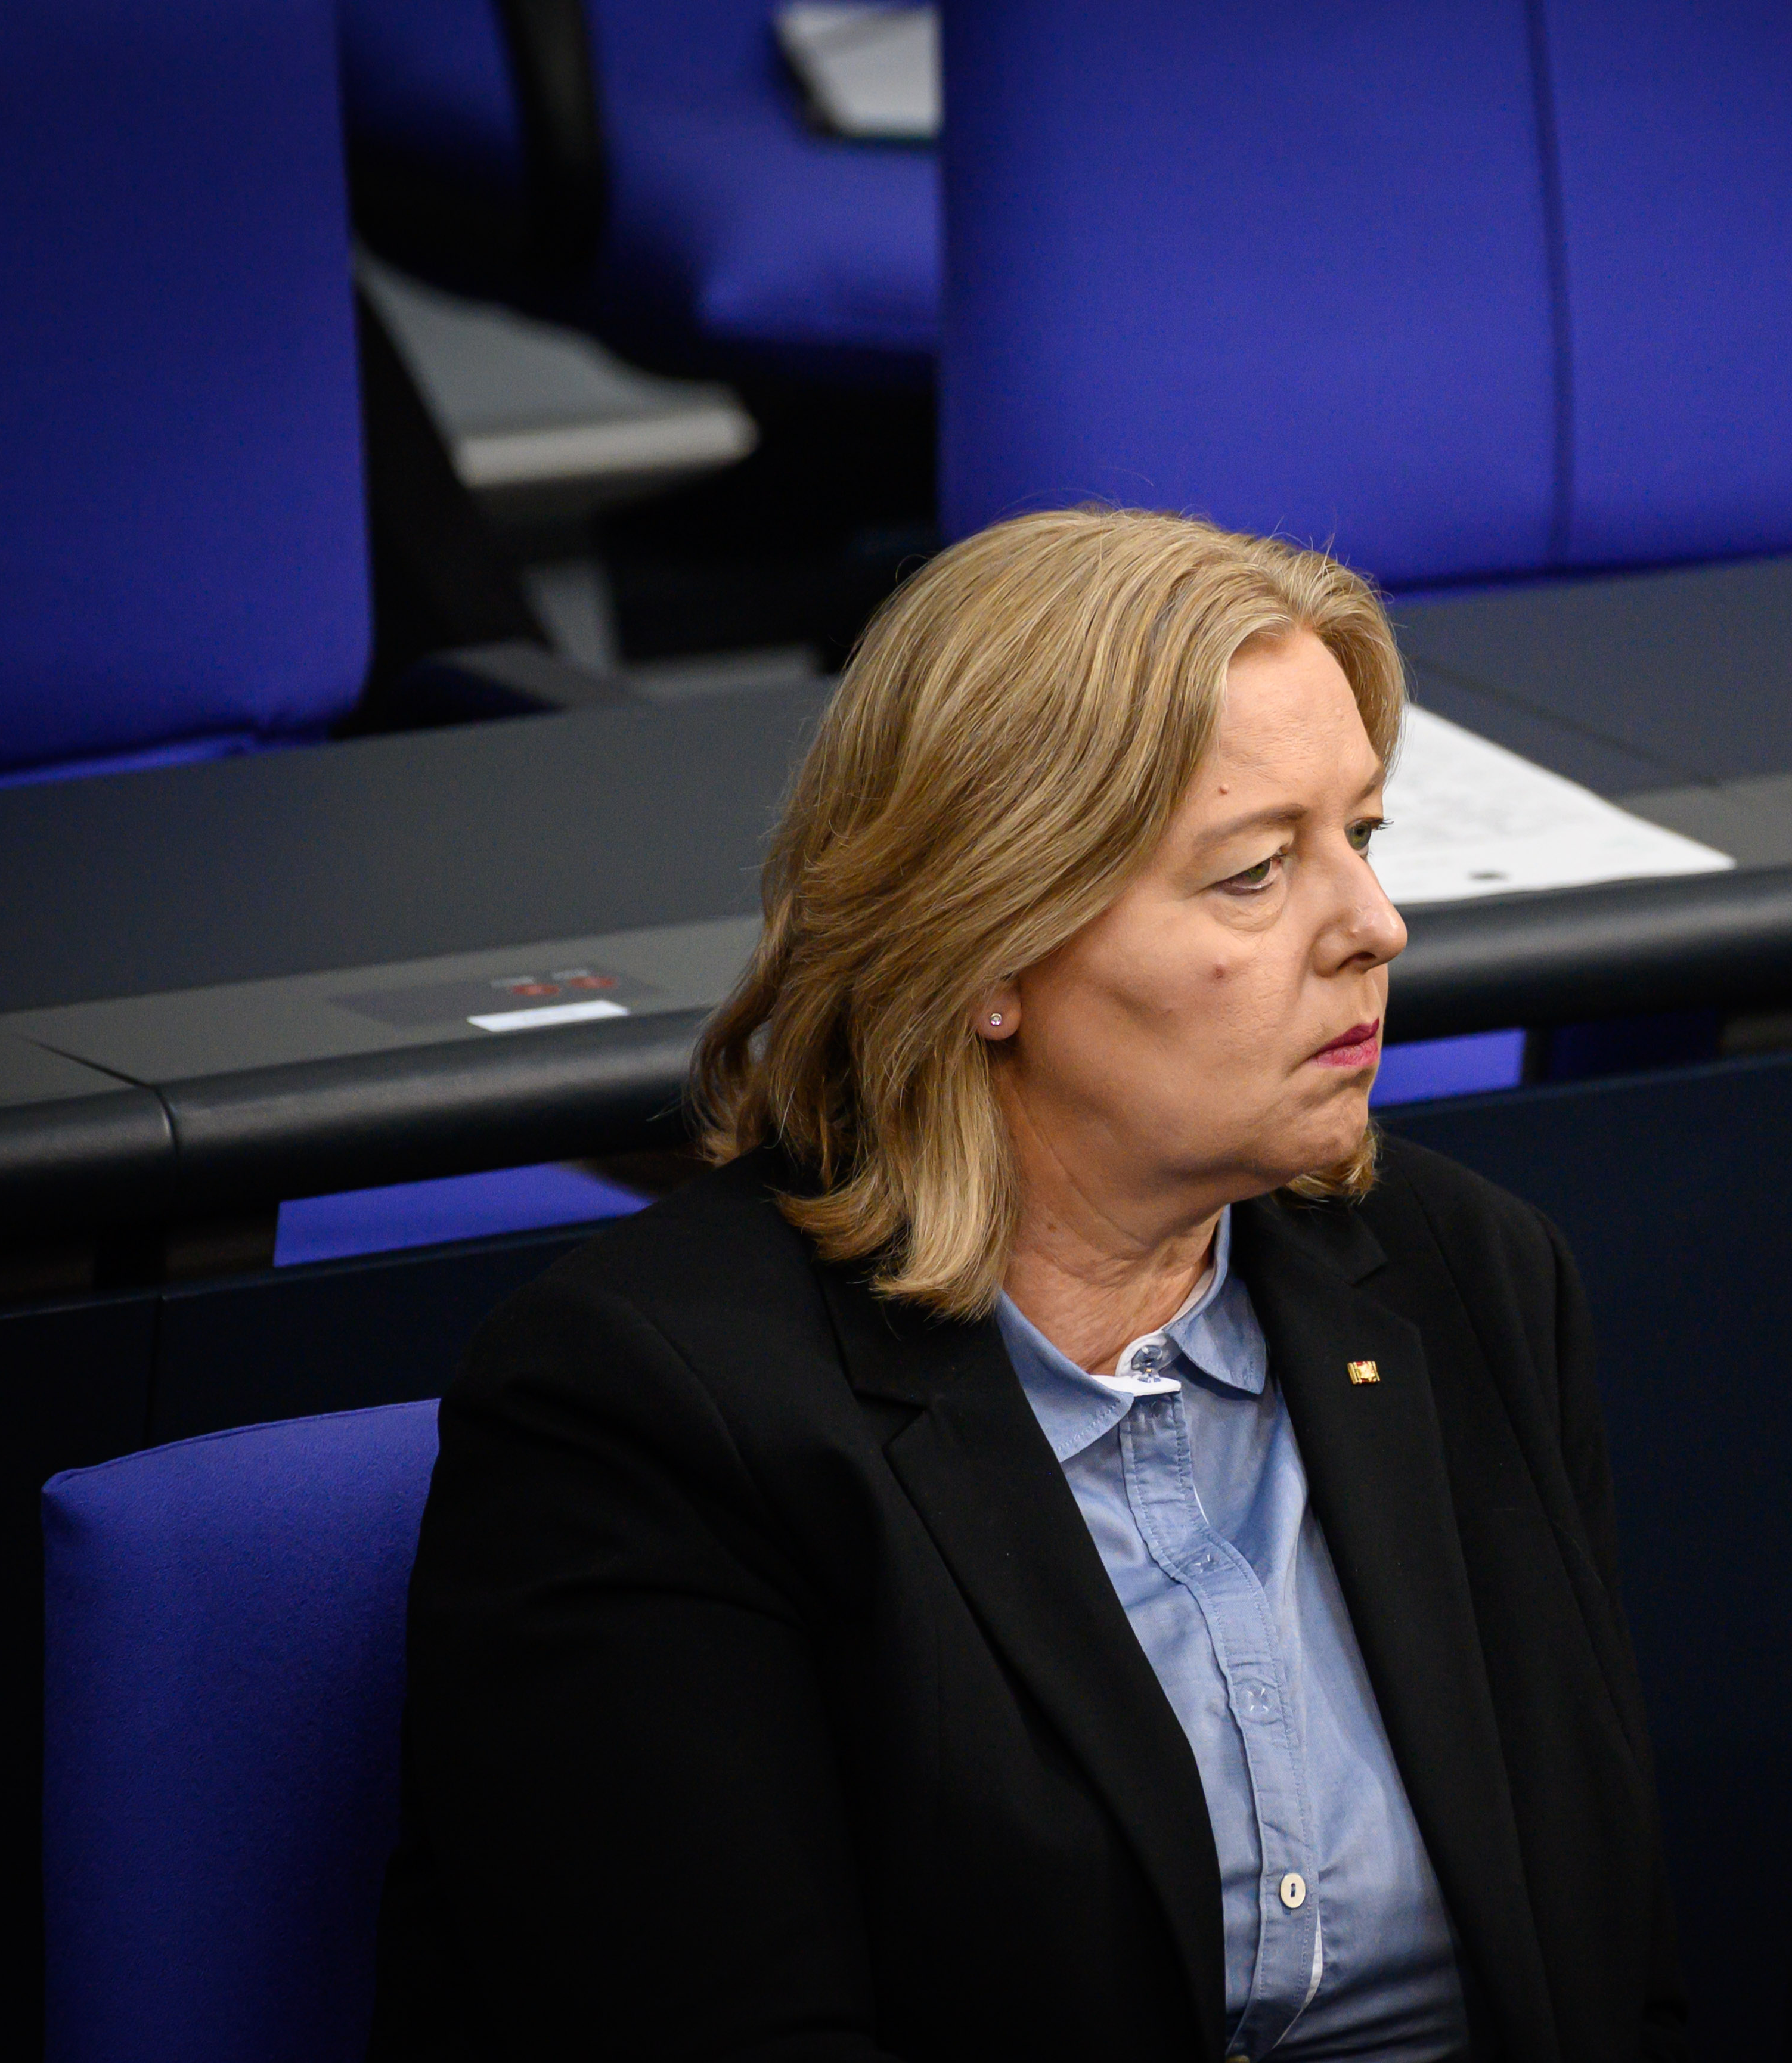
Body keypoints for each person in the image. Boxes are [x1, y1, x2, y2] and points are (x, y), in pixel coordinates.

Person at [369, 509, 1687, 2063]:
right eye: (1257, 873)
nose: (1374, 928)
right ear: (987, 948)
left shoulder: (1462, 1279)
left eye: (1366, 838)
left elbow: (1604, 1974)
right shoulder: (649, 1416)